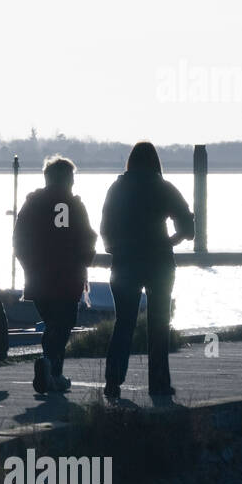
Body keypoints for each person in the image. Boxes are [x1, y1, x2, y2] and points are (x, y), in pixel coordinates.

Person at [99, 141, 195, 401]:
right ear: (156, 162)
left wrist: (117, 249)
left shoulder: (116, 189)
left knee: (124, 323)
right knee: (159, 324)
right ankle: (159, 384)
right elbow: (189, 229)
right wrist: (168, 242)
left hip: (125, 263)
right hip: (159, 263)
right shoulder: (163, 187)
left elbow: (105, 230)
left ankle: (113, 381)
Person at [14, 155, 97, 394]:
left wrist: (28, 264)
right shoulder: (73, 205)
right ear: (68, 179)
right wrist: (85, 259)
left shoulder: (32, 204)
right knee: (63, 324)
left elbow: (18, 239)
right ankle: (52, 367)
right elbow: (87, 237)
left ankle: (51, 369)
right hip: (68, 276)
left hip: (38, 277)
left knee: (52, 323)